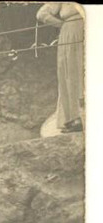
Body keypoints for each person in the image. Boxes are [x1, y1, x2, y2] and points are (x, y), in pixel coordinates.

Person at [37, 3, 85, 133]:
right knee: (72, 72)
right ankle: (76, 117)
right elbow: (42, 14)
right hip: (72, 31)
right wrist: (62, 25)